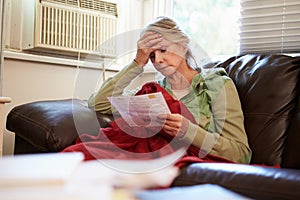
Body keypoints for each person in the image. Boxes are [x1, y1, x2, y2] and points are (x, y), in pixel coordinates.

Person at [69, 16, 252, 164]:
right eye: (151, 55)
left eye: (163, 50)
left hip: (182, 162)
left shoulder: (216, 85)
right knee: (78, 157)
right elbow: (98, 103)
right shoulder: (153, 93)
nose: (157, 61)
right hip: (144, 159)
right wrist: (137, 63)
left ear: (183, 45)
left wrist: (188, 130)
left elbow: (240, 154)